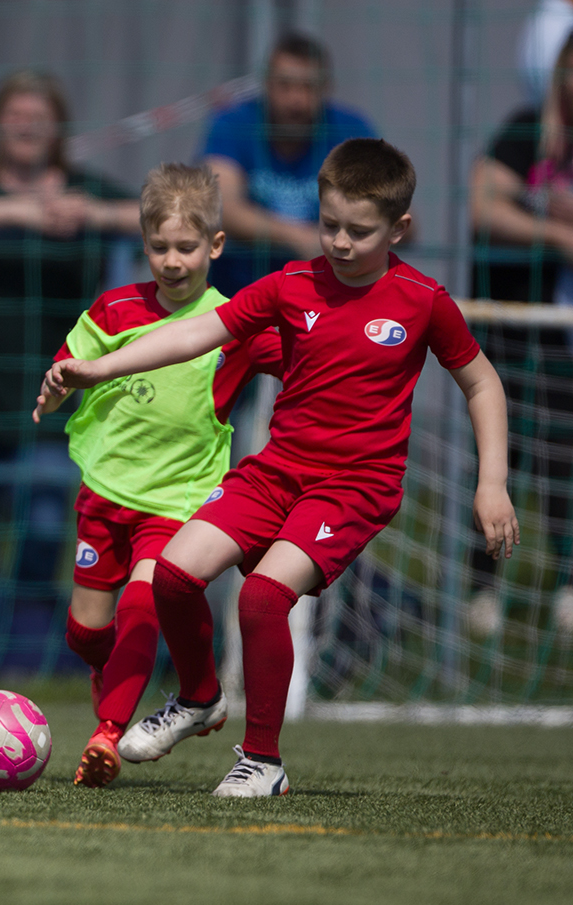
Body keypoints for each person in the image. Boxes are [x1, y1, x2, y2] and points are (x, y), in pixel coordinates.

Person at [44, 138, 517, 796]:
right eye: (329, 225)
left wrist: (492, 483)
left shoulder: (422, 300)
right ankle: (201, 697)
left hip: (354, 488)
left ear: (398, 228)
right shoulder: (292, 284)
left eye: (359, 231)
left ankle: (262, 761)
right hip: (275, 471)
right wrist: (100, 367)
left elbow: (482, 382)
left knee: (264, 596)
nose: (341, 242)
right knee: (174, 575)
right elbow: (195, 332)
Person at [34, 163, 281, 788]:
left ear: (215, 246)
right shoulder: (114, 308)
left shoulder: (232, 324)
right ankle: (107, 671)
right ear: (143, 244)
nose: (172, 261)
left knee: (143, 604)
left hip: (178, 498)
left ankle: (107, 735)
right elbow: (69, 365)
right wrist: (55, 388)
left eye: (186, 247)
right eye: (159, 247)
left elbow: (299, 360)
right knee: (87, 632)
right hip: (106, 492)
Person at [0, 69, 140, 668]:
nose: (27, 126)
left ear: (59, 127)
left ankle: (20, 639)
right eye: (16, 115)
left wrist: (91, 215)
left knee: (46, 524)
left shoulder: (85, 190)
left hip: (55, 395)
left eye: (39, 117)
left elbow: (149, 214)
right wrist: (26, 212)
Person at [465, 31, 573, 635]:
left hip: (560, 332)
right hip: (510, 327)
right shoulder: (527, 132)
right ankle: (481, 588)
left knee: (563, 459)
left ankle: (567, 582)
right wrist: (555, 232)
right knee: (500, 456)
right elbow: (483, 205)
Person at [200, 32, 376, 296]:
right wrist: (298, 236)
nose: (296, 99)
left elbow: (392, 211)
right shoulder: (233, 123)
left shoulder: (351, 130)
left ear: (327, 88)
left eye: (309, 87)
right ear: (267, 84)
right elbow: (219, 207)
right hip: (236, 291)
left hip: (329, 295)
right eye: (285, 85)